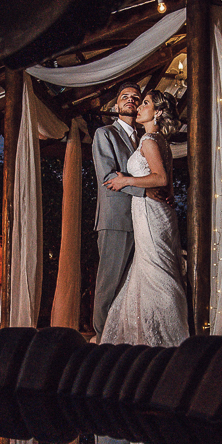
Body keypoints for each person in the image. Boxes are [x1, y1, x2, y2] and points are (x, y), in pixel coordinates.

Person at [99, 90, 189, 347]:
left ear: (158, 112)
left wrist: (125, 179)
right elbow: (167, 184)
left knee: (156, 271)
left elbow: (160, 179)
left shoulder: (149, 139)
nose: (139, 106)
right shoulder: (158, 140)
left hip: (150, 212)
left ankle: (164, 336)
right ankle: (150, 333)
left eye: (146, 103)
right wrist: (168, 197)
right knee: (154, 269)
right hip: (156, 211)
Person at [91, 81, 144, 339]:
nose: (130, 100)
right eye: (125, 96)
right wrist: (146, 189)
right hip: (115, 219)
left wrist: (131, 179)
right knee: (109, 284)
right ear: (116, 104)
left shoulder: (144, 139)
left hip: (143, 220)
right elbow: (109, 177)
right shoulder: (105, 134)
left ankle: (122, 336)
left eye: (136, 97)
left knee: (132, 286)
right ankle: (102, 339)